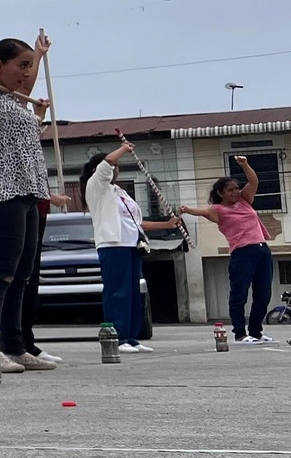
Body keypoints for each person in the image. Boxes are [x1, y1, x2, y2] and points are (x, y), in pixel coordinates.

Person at [0, 35, 66, 374]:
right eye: (22, 65)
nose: (27, 73)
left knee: (21, 276)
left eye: (30, 67)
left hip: (27, 196)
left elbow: (21, 139)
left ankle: (15, 347)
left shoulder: (15, 102)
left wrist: (37, 113)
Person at [83, 141, 180, 353]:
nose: (116, 169)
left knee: (133, 292)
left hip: (131, 245)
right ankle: (117, 337)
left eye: (118, 167)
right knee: (118, 291)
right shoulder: (96, 185)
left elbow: (136, 222)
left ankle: (131, 336)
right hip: (112, 245)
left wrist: (167, 224)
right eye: (114, 167)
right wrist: (124, 149)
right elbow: (108, 162)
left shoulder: (119, 192)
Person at [179, 156, 273, 343]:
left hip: (263, 250)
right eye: (230, 190)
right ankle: (240, 333)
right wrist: (186, 209)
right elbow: (202, 211)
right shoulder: (217, 210)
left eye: (237, 188)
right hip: (242, 253)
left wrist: (245, 165)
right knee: (239, 294)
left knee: (263, 295)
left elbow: (254, 182)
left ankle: (256, 332)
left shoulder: (245, 201)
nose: (236, 192)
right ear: (220, 193)